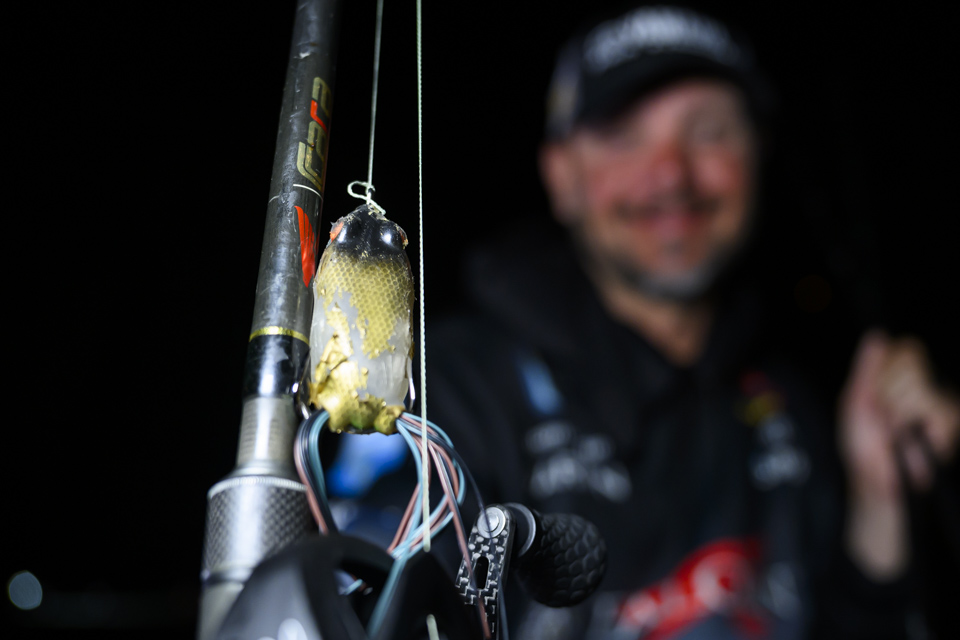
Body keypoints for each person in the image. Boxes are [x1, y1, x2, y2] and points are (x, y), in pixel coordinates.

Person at [326, 4, 959, 639]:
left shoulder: (793, 394)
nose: (671, 175)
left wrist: (880, 499)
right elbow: (361, 596)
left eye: (709, 131)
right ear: (561, 176)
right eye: (624, 137)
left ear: (758, 153)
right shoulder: (449, 389)